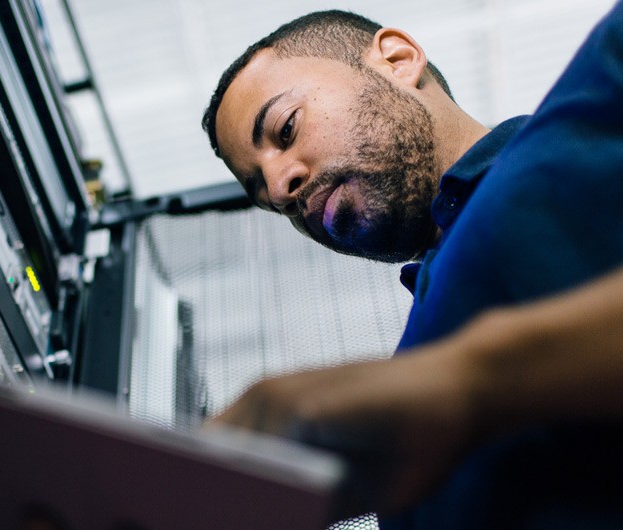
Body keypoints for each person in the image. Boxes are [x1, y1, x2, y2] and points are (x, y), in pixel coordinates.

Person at [201, 2, 623, 528]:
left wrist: (469, 382)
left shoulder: (596, 99)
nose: (283, 187)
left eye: (286, 129)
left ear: (398, 59)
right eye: (266, 197)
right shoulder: (407, 369)